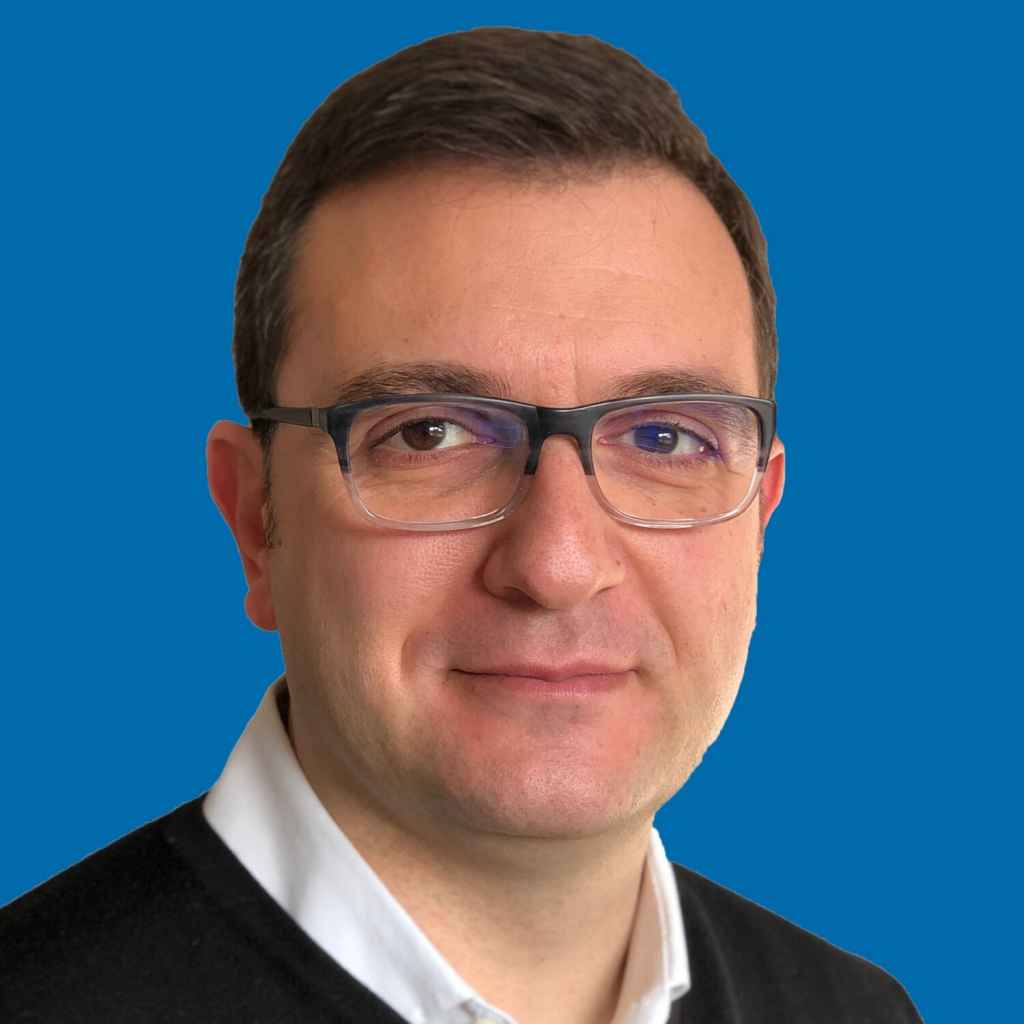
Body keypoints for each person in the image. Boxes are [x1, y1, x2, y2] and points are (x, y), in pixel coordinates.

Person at [1, 27, 922, 1024]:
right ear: (255, 521)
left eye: (665, 437)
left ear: (761, 514)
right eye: (427, 433)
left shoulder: (855, 1011)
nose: (557, 563)